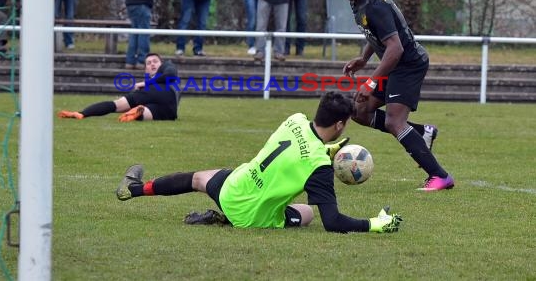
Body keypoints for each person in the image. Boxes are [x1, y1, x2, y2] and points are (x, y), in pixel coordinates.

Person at [115, 92, 403, 234]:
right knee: (308, 213)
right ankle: (227, 220)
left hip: (233, 187)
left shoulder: (295, 120)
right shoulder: (319, 167)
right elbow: (333, 222)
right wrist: (376, 224)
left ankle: (134, 190)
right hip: (250, 216)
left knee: (196, 178)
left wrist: (325, 149)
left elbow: (299, 150)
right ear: (340, 125)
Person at [341, 0, 454, 191]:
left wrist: (371, 81)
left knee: (395, 121)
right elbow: (376, 34)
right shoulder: (359, 1)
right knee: (360, 111)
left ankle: (440, 176)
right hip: (393, 63)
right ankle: (422, 133)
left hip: (408, 64)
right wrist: (364, 58)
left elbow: (396, 48)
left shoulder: (375, 5)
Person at [58, 53, 179, 122]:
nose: (152, 64)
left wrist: (147, 83)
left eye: (155, 61)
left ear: (161, 63)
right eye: (149, 63)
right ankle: (138, 111)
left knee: (116, 105)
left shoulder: (167, 66)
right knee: (146, 112)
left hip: (167, 93)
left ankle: (82, 113)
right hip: (169, 110)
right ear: (146, 69)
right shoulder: (149, 83)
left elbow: (171, 75)